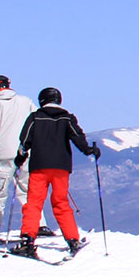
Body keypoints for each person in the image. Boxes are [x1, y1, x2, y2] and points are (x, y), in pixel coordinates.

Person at [12, 88, 100, 255]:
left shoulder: (35, 118)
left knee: (34, 203)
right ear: (59, 100)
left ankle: (28, 240)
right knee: (60, 202)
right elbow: (77, 137)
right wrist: (89, 150)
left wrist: (20, 158)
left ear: (41, 101)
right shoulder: (67, 118)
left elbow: (24, 141)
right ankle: (72, 239)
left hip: (39, 166)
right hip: (61, 167)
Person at [0, 75, 36, 245]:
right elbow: (35, 123)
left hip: (4, 153)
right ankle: (35, 226)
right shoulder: (26, 101)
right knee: (27, 190)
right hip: (27, 151)